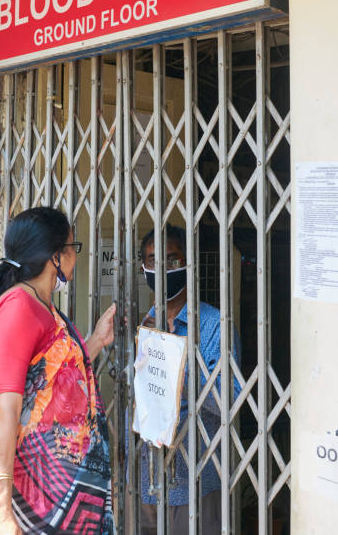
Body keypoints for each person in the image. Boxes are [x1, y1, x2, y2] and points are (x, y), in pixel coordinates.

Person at [0, 207, 116, 535]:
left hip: (61, 488)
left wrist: (97, 340)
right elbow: (6, 406)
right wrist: (1, 511)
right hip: (34, 491)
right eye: (74, 247)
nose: (76, 256)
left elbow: (52, 374)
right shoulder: (17, 308)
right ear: (56, 256)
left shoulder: (40, 305)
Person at [126, 224, 241, 534]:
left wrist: (176, 359)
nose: (161, 267)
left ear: (188, 263)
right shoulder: (144, 323)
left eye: (171, 259)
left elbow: (230, 401)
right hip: (145, 479)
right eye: (152, 260)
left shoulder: (215, 324)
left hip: (195, 481)